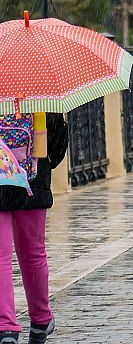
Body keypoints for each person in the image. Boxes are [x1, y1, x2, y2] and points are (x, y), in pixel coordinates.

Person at [0, 113, 67, 344]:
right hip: (33, 176)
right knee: (33, 253)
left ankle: (6, 328)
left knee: (0, 257)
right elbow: (57, 142)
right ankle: (41, 319)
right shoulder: (40, 83)